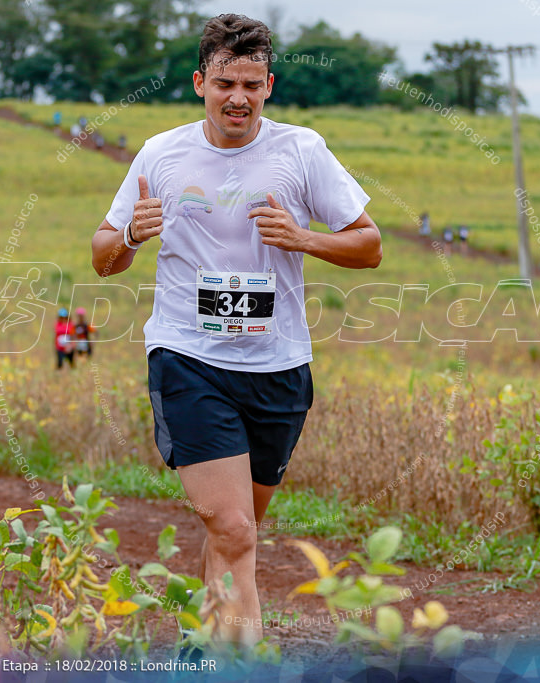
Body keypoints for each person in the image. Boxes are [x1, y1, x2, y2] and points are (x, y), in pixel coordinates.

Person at [90, 13, 381, 647]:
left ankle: (201, 645)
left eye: (251, 84)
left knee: (233, 531)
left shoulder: (301, 150)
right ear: (201, 82)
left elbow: (370, 246)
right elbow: (103, 254)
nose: (238, 98)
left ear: (269, 86)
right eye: (225, 83)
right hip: (187, 358)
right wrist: (135, 233)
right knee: (237, 532)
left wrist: (304, 238)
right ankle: (243, 662)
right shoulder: (161, 153)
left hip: (278, 366)